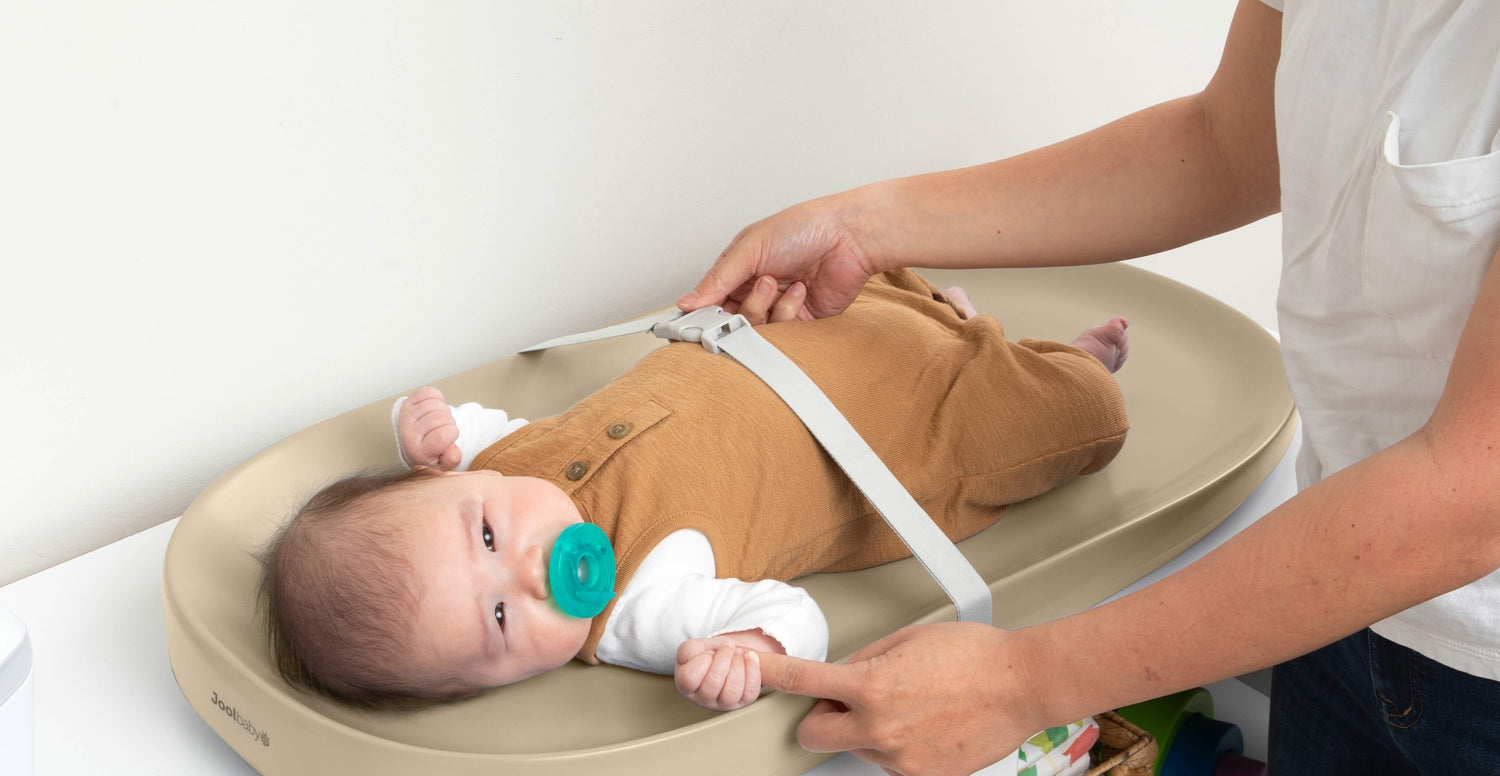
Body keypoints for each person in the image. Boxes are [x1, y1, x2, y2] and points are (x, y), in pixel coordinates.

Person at [676, 1, 1500, 776]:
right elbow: (1225, 142)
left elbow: (1469, 494)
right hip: (1345, 627)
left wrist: (1025, 682)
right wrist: (865, 224)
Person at [259, 268, 1130, 713]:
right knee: (1061, 417)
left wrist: (425, 431)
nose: (526, 569)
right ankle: (1067, 362)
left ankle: (947, 313)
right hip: (897, 441)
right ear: (496, 683)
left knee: (865, 292)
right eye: (499, 620)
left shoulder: (498, 466)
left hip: (791, 348)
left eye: (485, 537)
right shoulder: (639, 611)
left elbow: (462, 430)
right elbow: (792, 616)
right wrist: (746, 647)